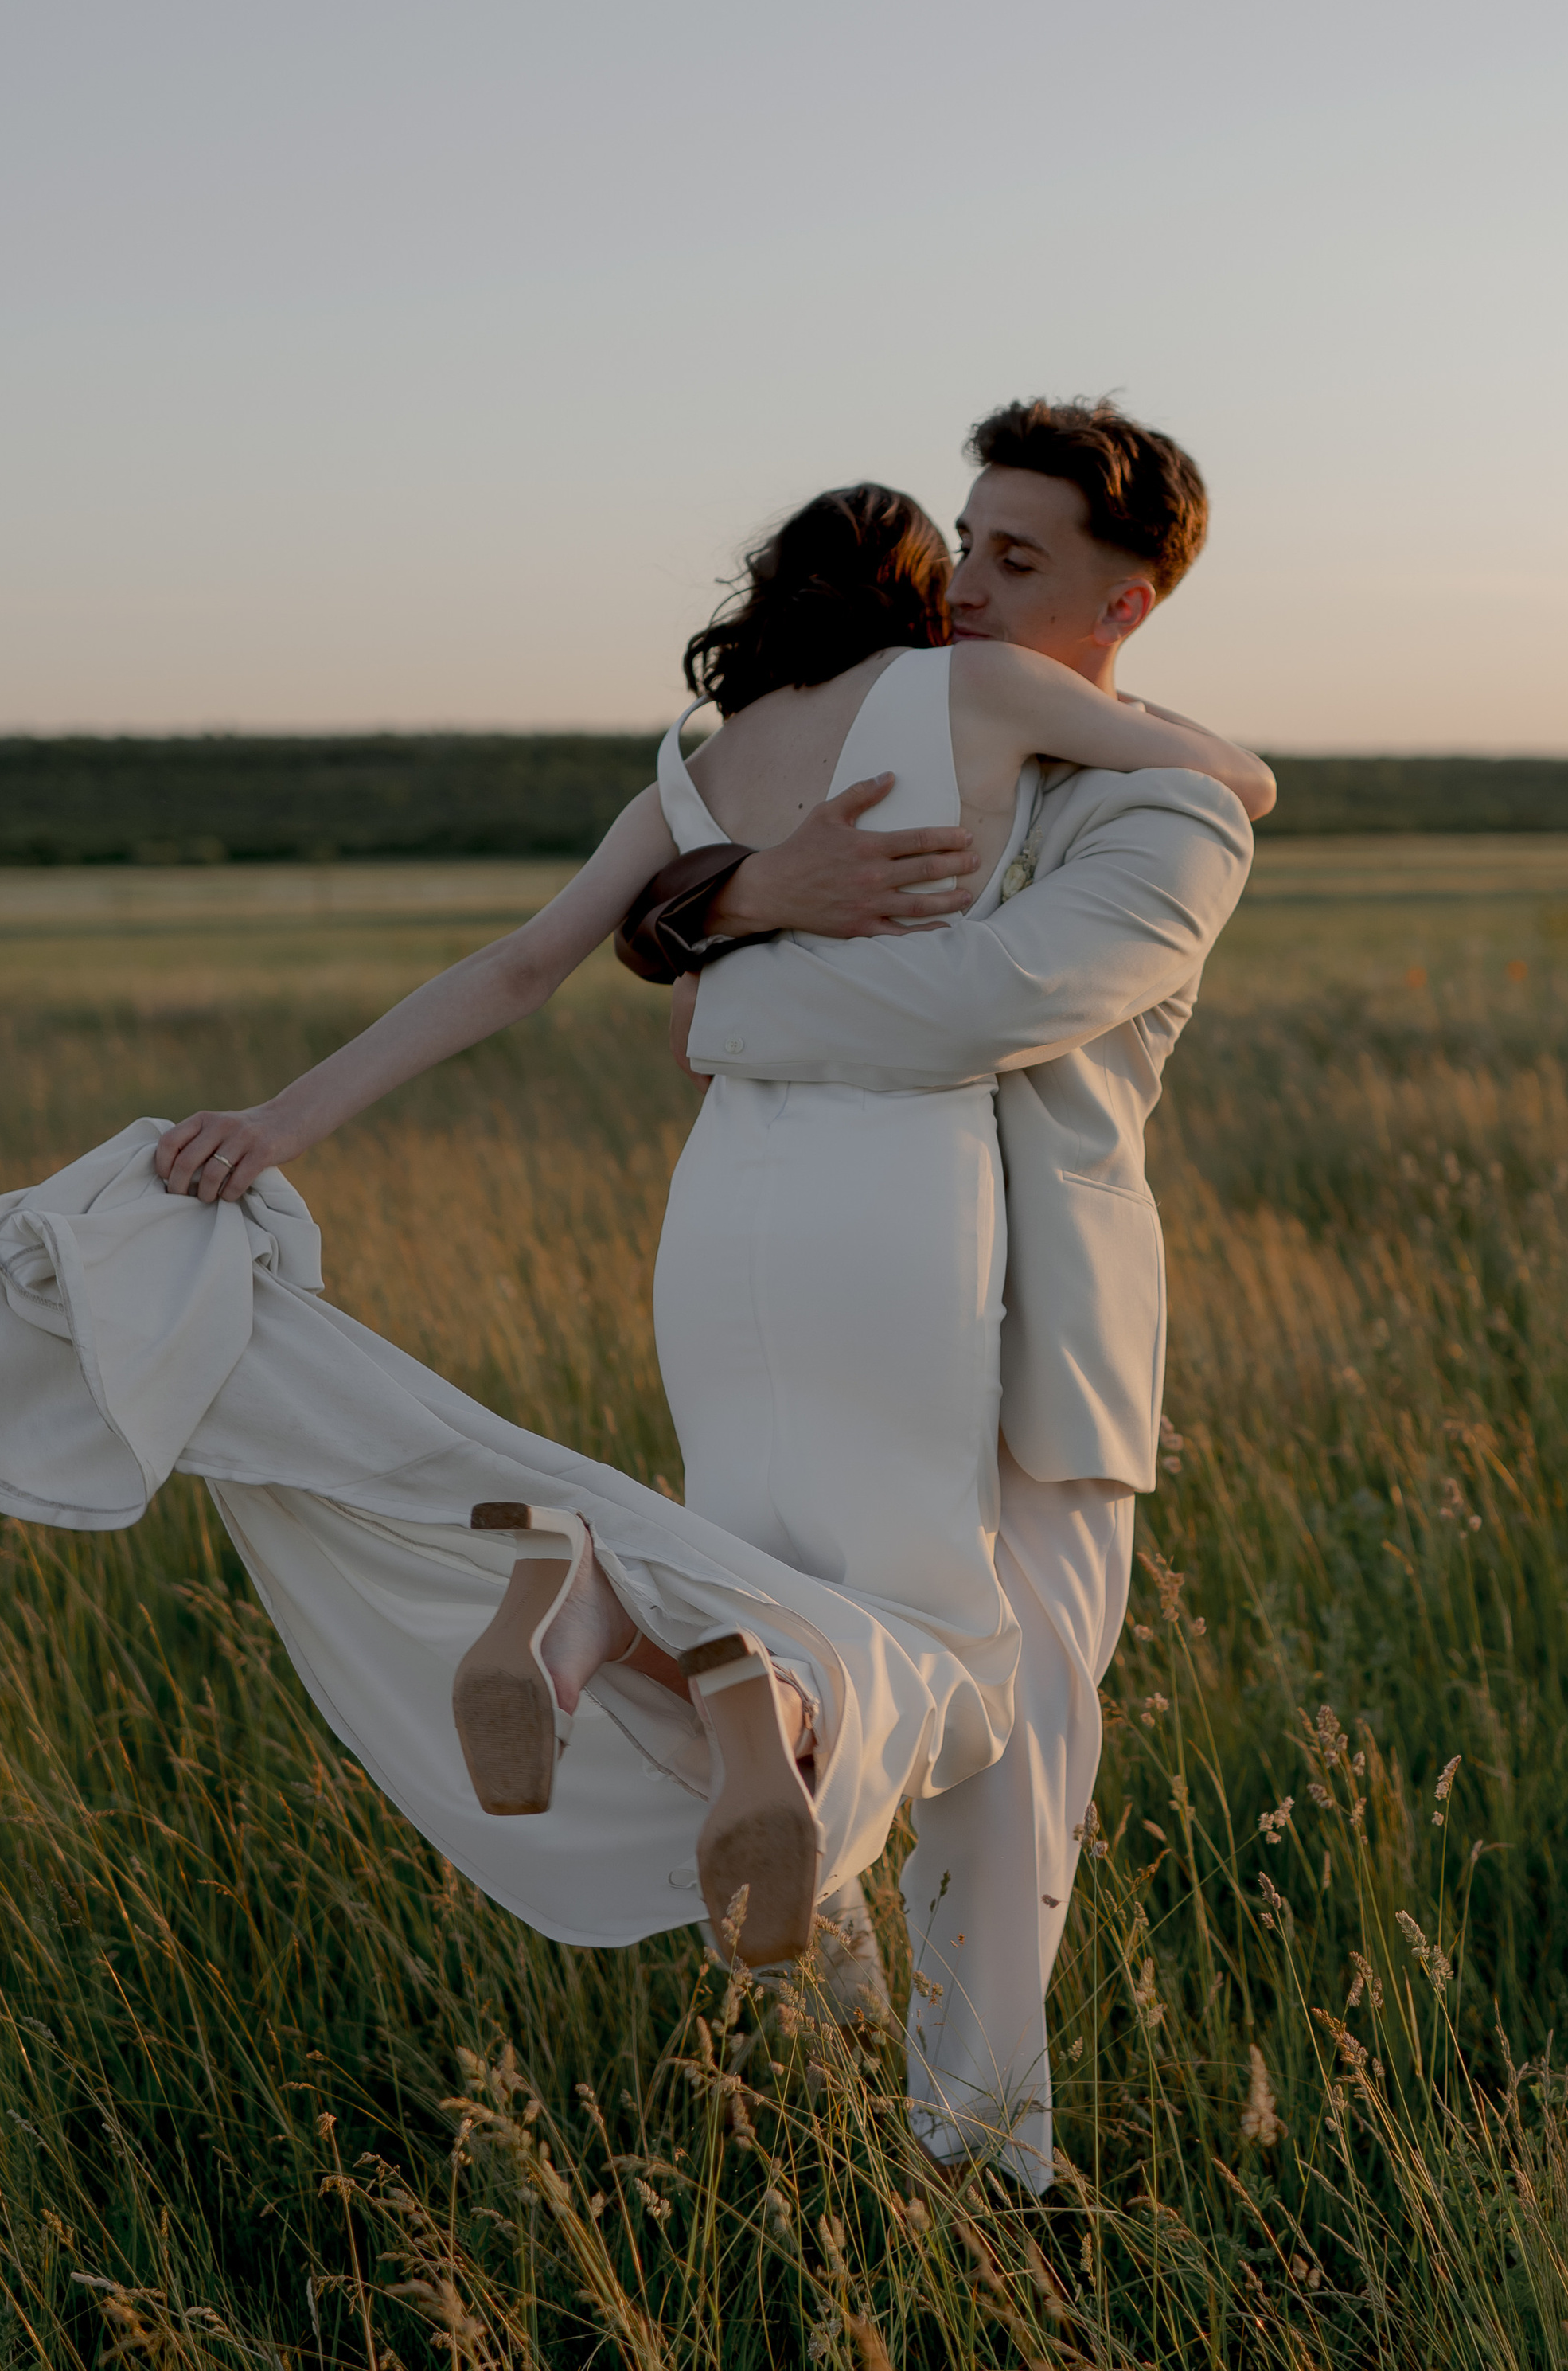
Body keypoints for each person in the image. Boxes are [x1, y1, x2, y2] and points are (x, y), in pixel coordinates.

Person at [134, 442, 1269, 1985]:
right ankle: (658, 1634)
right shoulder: (975, 691)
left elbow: (516, 971)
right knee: (955, 1657)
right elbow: (1237, 779)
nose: (972, 591)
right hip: (897, 1206)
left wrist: (280, 1121)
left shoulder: (700, 772)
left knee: (761, 1585)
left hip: (722, 1214)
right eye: (960, 559)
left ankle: (615, 1629)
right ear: (915, 593)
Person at [642, 397, 1264, 2183]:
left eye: (1017, 557)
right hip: (844, 1305)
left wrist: (722, 982)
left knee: (1011, 1760)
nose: (964, 583)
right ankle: (823, 2099)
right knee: (774, 1672)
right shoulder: (893, 737)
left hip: (1041, 1343)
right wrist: (722, 897)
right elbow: (673, 886)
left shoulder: (1169, 807)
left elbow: (984, 1006)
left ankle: (981, 2163)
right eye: (966, 541)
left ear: (1125, 601)